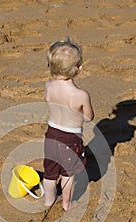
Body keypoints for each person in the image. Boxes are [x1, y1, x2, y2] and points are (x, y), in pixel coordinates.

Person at [43, 38, 94, 211]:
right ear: (79, 69)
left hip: (51, 135)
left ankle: (48, 201)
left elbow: (49, 100)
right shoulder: (80, 95)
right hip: (70, 139)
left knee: (49, 173)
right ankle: (66, 203)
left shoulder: (49, 86)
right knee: (67, 174)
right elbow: (88, 117)